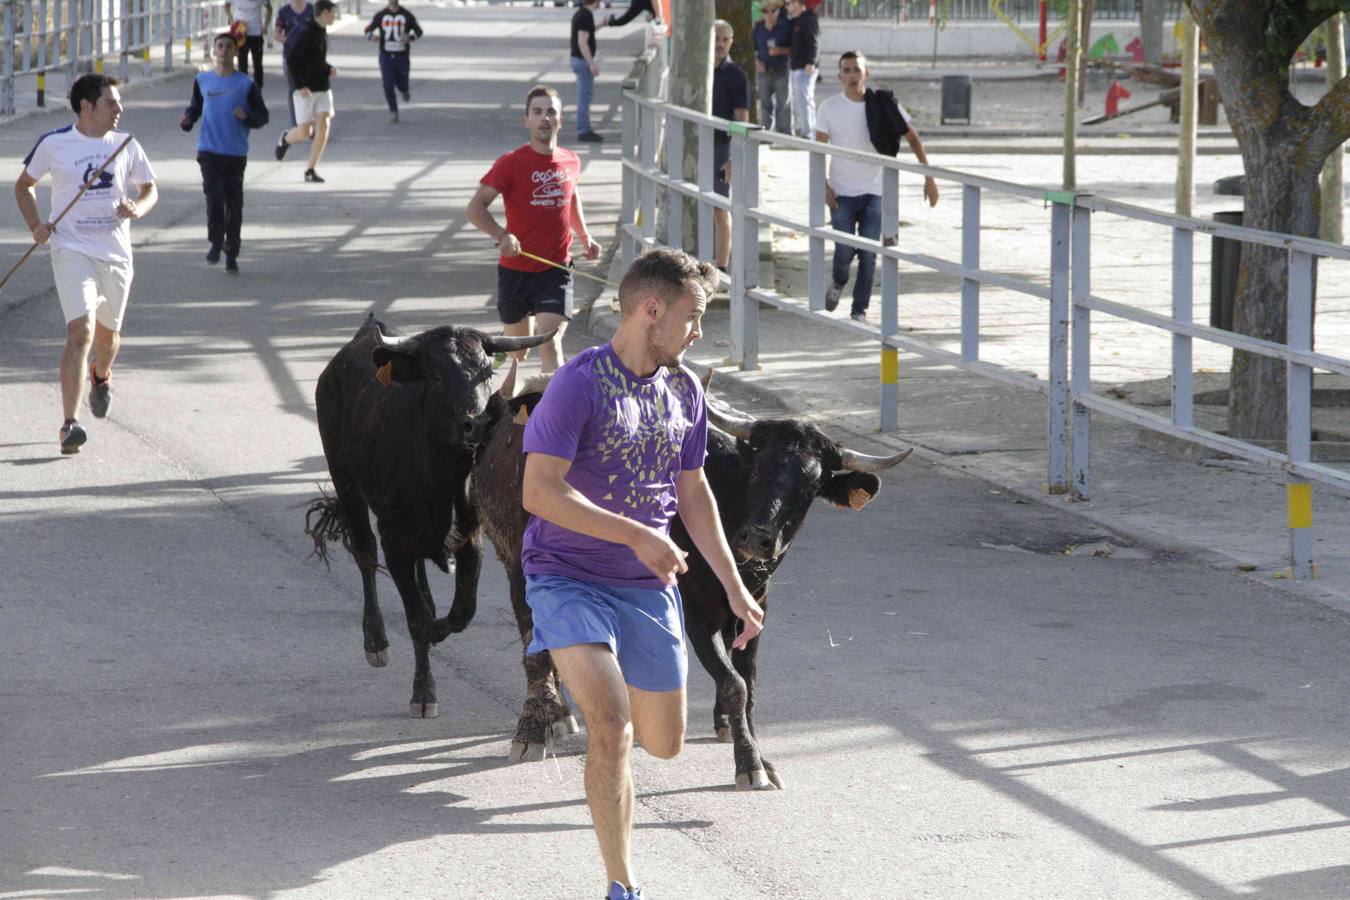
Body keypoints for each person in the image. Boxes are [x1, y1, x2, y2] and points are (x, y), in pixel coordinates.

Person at [519, 248, 764, 900]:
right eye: (693, 316)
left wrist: (735, 586)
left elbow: (693, 491)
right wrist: (633, 533)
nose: (699, 331)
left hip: (647, 589)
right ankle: (622, 884)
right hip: (566, 576)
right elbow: (538, 492)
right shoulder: (578, 383)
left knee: (664, 742)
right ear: (651, 309)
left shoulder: (684, 390)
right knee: (611, 726)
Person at [14, 74, 158, 455]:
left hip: (115, 254)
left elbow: (149, 188)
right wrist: (35, 225)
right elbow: (24, 185)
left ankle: (101, 374)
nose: (119, 108)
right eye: (111, 102)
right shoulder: (55, 144)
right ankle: (69, 424)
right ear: (86, 106)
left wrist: (137, 207)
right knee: (81, 332)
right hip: (71, 248)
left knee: (107, 341)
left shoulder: (126, 144)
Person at [465, 85, 601, 374]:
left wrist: (585, 236)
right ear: (526, 120)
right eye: (537, 112)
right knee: (520, 351)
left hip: (556, 270)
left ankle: (553, 402)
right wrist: (502, 235)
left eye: (551, 112)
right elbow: (475, 208)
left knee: (549, 342)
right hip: (515, 271)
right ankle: (505, 364)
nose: (545, 118)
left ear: (561, 119)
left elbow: (571, 198)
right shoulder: (510, 163)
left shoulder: (571, 161)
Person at [815, 51, 939, 322]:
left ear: (866, 74)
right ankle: (839, 281)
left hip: (875, 190)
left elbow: (913, 138)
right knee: (844, 251)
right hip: (842, 191)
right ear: (839, 76)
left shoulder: (883, 104)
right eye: (847, 70)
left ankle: (859, 310)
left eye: (857, 69)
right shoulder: (829, 108)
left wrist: (928, 177)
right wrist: (823, 186)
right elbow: (817, 151)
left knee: (869, 253)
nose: (852, 75)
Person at [180, 31, 270, 274]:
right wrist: (188, 120)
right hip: (208, 150)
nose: (224, 50)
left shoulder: (246, 84)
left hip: (235, 153)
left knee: (234, 203)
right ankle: (216, 241)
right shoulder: (202, 80)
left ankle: (232, 251)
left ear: (236, 52)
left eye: (229, 46)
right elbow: (195, 108)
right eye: (220, 46)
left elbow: (263, 116)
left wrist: (247, 117)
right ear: (214, 51)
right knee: (213, 198)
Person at [275, 0, 337, 183]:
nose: (334, 16)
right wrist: (299, 86)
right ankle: (286, 139)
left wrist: (328, 69)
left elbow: (316, 59)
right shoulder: (306, 32)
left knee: (324, 124)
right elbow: (291, 59)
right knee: (304, 132)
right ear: (324, 13)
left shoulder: (321, 31)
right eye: (333, 13)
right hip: (305, 89)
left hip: (322, 87)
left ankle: (310, 169)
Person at [710, 19, 749, 273]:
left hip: (721, 147)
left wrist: (734, 158)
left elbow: (742, 119)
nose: (720, 44)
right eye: (716, 38)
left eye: (725, 39)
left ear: (731, 42)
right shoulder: (697, 69)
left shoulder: (736, 75)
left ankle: (721, 268)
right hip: (695, 146)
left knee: (720, 208)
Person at [364, 0, 423, 123]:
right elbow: (367, 30)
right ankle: (393, 111)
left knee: (402, 82)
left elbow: (419, 32)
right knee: (388, 83)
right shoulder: (381, 15)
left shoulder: (407, 15)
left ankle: (404, 90)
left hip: (402, 56)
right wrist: (372, 37)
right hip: (386, 56)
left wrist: (410, 37)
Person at [751, 0, 791, 135]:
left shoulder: (785, 26)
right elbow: (752, 48)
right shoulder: (758, 27)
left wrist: (781, 50)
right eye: (765, 11)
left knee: (783, 104)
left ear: (778, 11)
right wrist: (757, 62)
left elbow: (794, 48)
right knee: (765, 104)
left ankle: (785, 135)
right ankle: (765, 134)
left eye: (772, 11)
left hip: (781, 71)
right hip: (763, 73)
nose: (769, 14)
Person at [273, 0, 313, 126]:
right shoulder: (284, 12)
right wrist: (288, 41)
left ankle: (310, 123)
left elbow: (320, 31)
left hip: (309, 57)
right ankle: (295, 124)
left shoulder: (311, 10)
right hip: (290, 57)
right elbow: (276, 33)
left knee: (311, 89)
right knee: (294, 90)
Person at [570, 0, 604, 142]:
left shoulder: (581, 13)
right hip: (582, 61)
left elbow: (587, 32)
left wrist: (601, 25)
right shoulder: (586, 16)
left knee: (585, 96)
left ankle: (584, 128)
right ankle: (583, 131)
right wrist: (591, 63)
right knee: (584, 97)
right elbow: (582, 41)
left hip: (578, 59)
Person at [786, 0, 819, 140]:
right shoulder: (797, 20)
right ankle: (807, 130)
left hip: (805, 66)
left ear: (797, 3)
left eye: (789, 3)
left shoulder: (808, 19)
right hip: (797, 66)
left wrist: (811, 62)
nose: (787, 6)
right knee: (801, 100)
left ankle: (809, 133)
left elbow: (814, 42)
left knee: (805, 100)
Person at [224, 0, 272, 88]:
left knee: (258, 65)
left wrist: (265, 25)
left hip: (256, 33)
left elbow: (269, 9)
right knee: (242, 64)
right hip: (241, 33)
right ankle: (243, 89)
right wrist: (231, 20)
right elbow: (226, 6)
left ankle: (258, 90)